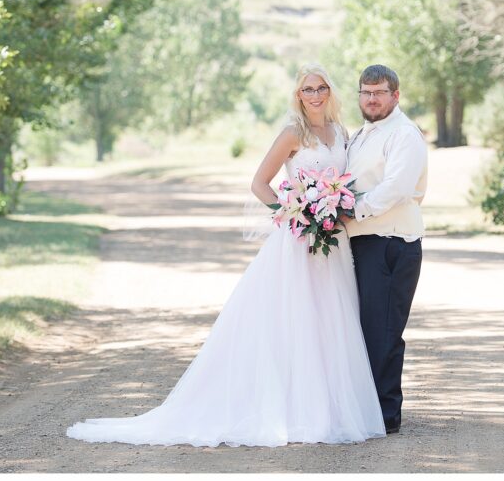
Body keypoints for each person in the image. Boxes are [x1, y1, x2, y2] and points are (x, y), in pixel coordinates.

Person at [66, 63, 386, 447]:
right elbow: (259, 183)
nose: (315, 95)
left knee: (328, 322)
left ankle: (329, 410)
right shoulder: (292, 134)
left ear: (330, 92)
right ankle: (290, 410)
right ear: (298, 96)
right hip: (299, 242)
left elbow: (341, 183)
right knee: (295, 320)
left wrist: (329, 211)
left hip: (331, 244)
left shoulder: (340, 132)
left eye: (320, 88)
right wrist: (295, 212)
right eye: (307, 90)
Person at [339, 64, 428, 435]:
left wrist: (351, 211)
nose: (371, 99)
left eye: (379, 93)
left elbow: (396, 188)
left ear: (395, 95)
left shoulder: (404, 134)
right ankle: (366, 409)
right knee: (362, 329)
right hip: (363, 242)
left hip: (391, 243)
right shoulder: (362, 134)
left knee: (384, 331)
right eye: (366, 92)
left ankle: (385, 415)